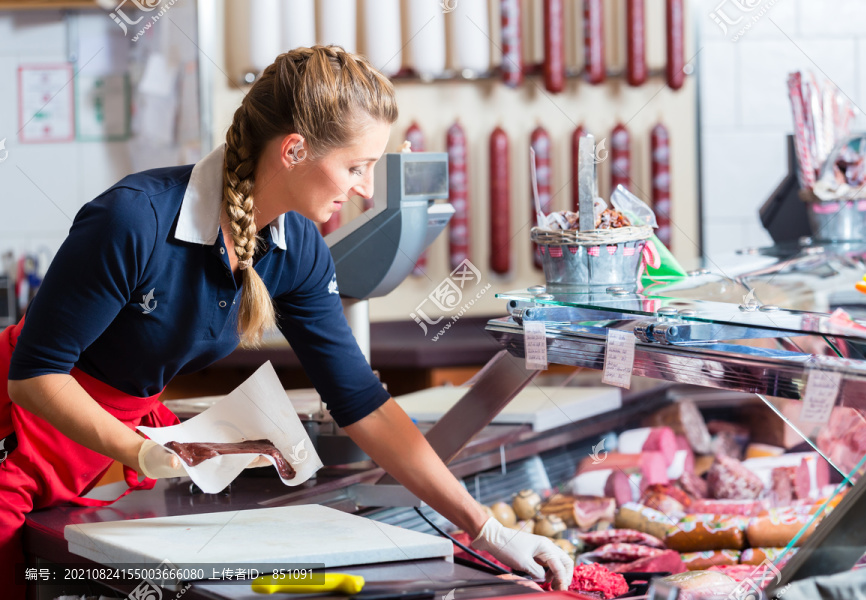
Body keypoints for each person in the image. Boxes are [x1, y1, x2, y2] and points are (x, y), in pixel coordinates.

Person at [1, 46, 573, 597]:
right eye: (357, 166)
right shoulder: (134, 218)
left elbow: (362, 402)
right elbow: (33, 376)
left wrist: (486, 529)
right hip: (19, 427)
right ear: (295, 150)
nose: (366, 189)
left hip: (99, 448)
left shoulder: (296, 247)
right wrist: (142, 452)